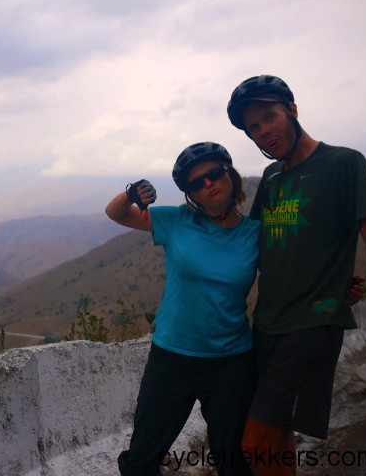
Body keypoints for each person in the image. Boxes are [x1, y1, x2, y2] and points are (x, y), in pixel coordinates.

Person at [227, 74, 366, 475]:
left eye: (269, 117)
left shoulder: (344, 163)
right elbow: (253, 246)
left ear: (292, 111)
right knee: (278, 436)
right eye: (253, 127)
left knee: (255, 441)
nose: (263, 131)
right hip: (269, 324)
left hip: (312, 322)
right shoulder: (272, 180)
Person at [107, 142, 259, 476]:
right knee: (143, 456)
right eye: (195, 183)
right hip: (172, 357)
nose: (208, 184)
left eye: (215, 173)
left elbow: (293, 270)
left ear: (230, 174)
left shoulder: (255, 234)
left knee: (233, 457)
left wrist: (335, 289)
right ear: (190, 194)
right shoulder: (177, 220)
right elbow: (115, 214)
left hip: (231, 362)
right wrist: (131, 194)